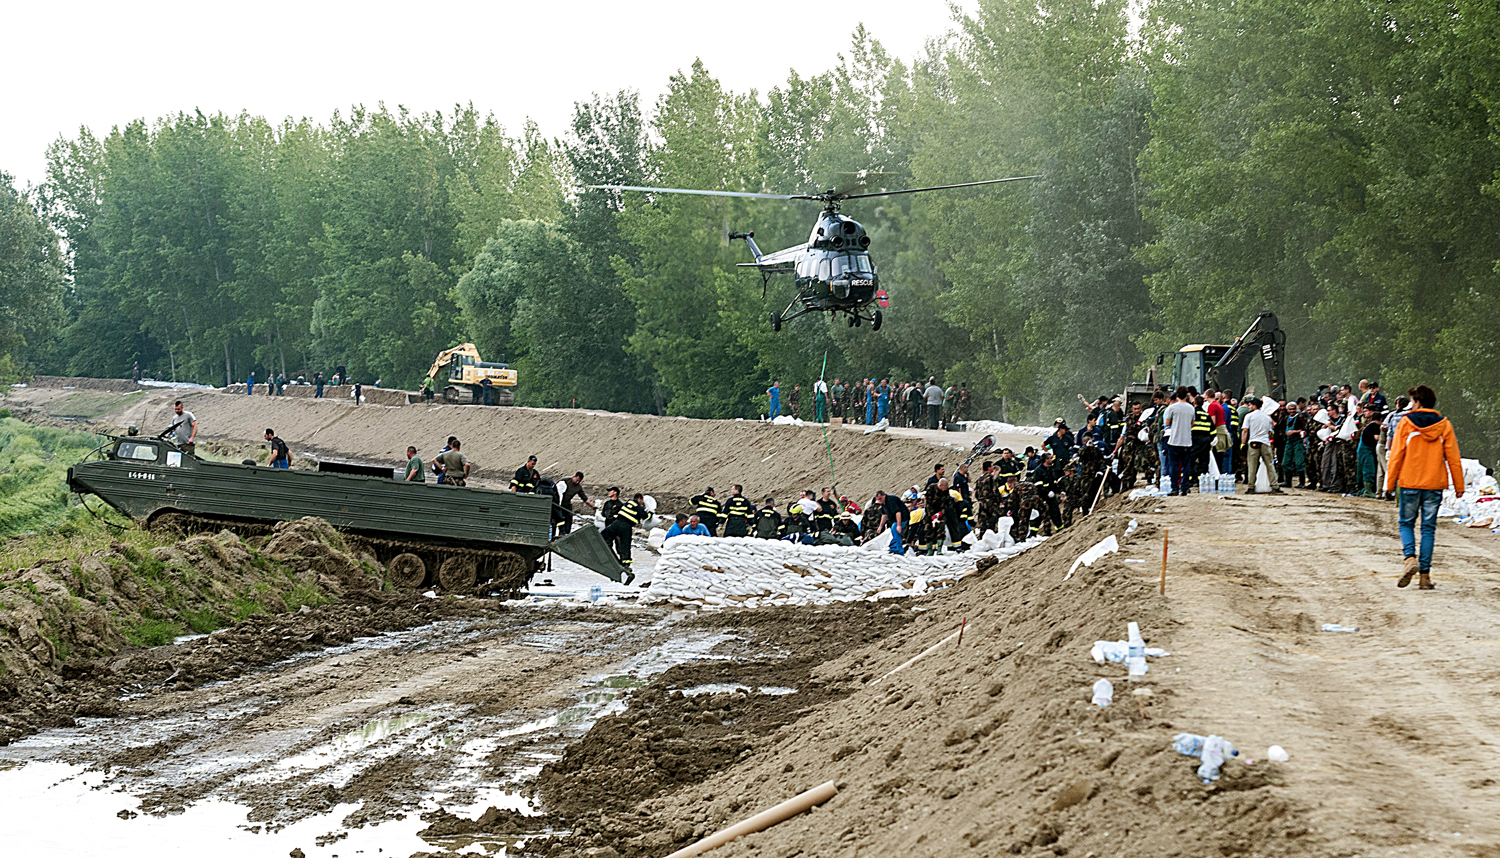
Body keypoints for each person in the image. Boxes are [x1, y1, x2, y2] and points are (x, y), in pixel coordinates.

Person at [1384, 384, 1464, 590]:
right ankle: (1425, 577)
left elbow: (1396, 455)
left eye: (1412, 401)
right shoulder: (1444, 425)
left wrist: (1390, 483)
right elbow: (1453, 457)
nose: (1410, 405)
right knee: (1428, 529)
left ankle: (1410, 559)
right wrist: (1459, 485)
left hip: (1410, 482)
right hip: (1434, 484)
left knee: (1406, 523)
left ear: (1418, 402)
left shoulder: (1406, 423)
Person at [1239, 398, 1283, 494]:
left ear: (1254, 406)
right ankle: (1275, 486)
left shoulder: (1249, 416)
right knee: (1270, 465)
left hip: (1253, 442)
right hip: (1265, 443)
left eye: (1250, 405)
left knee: (1252, 466)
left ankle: (1251, 487)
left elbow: (1245, 430)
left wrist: (1243, 444)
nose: (1249, 406)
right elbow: (1269, 432)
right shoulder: (1267, 417)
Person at [1163, 386, 1196, 496]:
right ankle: (1185, 488)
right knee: (1186, 466)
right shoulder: (1191, 408)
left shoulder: (1172, 408)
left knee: (1174, 466)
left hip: (1174, 440)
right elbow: (1192, 424)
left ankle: (1175, 488)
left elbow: (1167, 423)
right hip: (1187, 441)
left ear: (1177, 395)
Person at [873, 490, 908, 554]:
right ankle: (894, 548)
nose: (879, 500)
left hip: (902, 518)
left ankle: (899, 551)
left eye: (880, 498)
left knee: (895, 530)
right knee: (893, 532)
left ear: (884, 495)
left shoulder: (891, 501)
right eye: (878, 499)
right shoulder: (883, 504)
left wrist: (899, 525)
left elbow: (898, 512)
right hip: (894, 520)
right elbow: (884, 515)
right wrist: (880, 526)